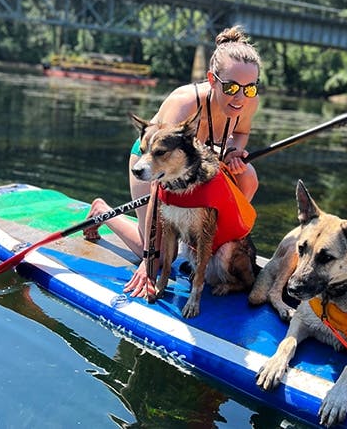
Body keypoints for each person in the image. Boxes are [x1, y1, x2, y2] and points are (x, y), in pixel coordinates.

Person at [83, 25, 262, 296]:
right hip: (156, 164)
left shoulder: (248, 101)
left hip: (196, 167)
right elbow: (160, 181)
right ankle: (102, 212)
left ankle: (208, 242)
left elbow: (241, 132)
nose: (240, 97)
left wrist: (234, 151)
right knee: (156, 259)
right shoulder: (183, 103)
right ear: (212, 80)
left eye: (249, 88)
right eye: (232, 87)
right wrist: (147, 259)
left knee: (248, 175)